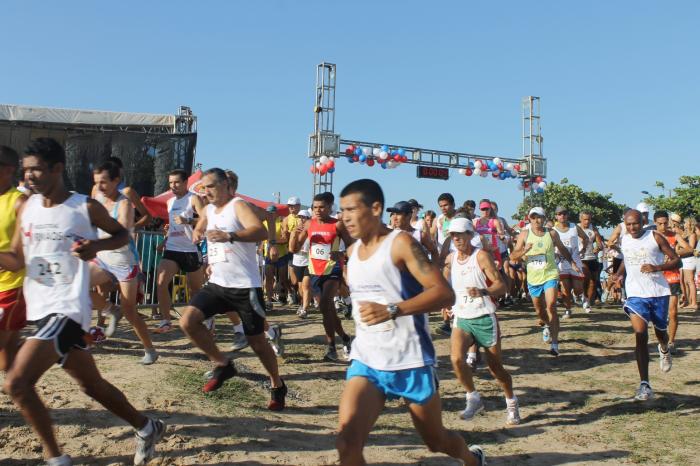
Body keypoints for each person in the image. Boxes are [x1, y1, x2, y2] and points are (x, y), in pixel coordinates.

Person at [0, 138, 164, 466]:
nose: (29, 176)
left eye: (37, 169)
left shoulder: (83, 207)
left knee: (17, 384)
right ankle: (147, 427)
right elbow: (17, 260)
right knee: (91, 386)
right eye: (26, 170)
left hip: (67, 310)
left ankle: (56, 458)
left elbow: (122, 234)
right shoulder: (28, 208)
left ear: (57, 169)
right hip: (40, 308)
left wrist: (96, 247)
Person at [335, 179, 485, 466]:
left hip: (409, 360)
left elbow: (444, 293)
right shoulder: (352, 252)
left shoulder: (400, 243)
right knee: (346, 443)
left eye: (353, 209)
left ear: (376, 208)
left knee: (436, 441)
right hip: (367, 360)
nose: (346, 217)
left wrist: (394, 309)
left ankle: (472, 458)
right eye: (343, 211)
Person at [182, 168, 287, 409]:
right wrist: (199, 229)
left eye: (210, 186)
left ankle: (277, 384)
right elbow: (204, 222)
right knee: (188, 322)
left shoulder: (239, 205)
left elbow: (259, 231)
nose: (205, 191)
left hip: (245, 286)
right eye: (203, 187)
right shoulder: (208, 208)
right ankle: (222, 364)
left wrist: (230, 236)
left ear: (225, 186)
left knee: (258, 343)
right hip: (219, 283)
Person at [443, 217, 520, 426]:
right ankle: (473, 398)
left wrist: (483, 291)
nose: (457, 238)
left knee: (496, 368)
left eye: (460, 234)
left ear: (470, 235)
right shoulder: (450, 259)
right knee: (456, 359)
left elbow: (501, 286)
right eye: (453, 235)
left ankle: (511, 401)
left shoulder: (481, 257)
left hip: (484, 316)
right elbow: (445, 284)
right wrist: (445, 302)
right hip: (462, 317)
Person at [90, 161, 158, 364]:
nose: (99, 186)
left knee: (131, 311)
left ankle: (150, 349)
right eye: (96, 182)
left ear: (116, 181)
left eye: (103, 182)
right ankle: (111, 310)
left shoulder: (125, 203)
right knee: (76, 284)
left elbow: (120, 232)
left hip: (123, 261)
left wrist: (93, 239)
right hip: (102, 258)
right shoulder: (96, 193)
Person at [612, 209, 680, 401]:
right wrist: (618, 274)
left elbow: (677, 260)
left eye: (635, 223)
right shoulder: (624, 239)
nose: (632, 227)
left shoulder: (655, 237)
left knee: (660, 332)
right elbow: (627, 258)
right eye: (628, 224)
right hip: (635, 294)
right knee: (640, 334)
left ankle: (664, 348)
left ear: (642, 221)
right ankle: (645, 384)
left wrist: (656, 267)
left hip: (658, 292)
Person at [290, 192, 353, 362]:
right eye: (315, 207)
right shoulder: (309, 223)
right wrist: (294, 235)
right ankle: (345, 339)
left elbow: (352, 247)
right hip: (314, 271)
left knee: (325, 303)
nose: (317, 210)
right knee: (327, 310)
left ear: (330, 207)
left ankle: (331, 347)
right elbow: (294, 249)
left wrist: (340, 253)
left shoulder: (338, 225)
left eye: (321, 207)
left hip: (332, 270)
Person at [510, 207, 580, 356]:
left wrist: (572, 263)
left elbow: (562, 249)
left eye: (539, 217)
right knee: (539, 311)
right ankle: (546, 325)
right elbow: (513, 257)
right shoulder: (524, 234)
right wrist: (524, 251)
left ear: (544, 218)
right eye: (533, 217)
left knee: (551, 306)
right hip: (534, 278)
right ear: (529, 219)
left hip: (550, 274)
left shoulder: (552, 233)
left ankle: (555, 344)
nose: (537, 220)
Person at [154, 169, 205, 333]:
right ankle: (165, 321)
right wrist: (165, 240)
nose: (173, 186)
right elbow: (173, 226)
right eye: (170, 182)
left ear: (185, 183)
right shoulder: (170, 202)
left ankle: (204, 318)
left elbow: (207, 218)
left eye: (176, 182)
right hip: (172, 249)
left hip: (190, 249)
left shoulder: (193, 198)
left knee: (195, 289)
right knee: (161, 282)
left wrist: (188, 220)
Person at [0, 146, 27, 373]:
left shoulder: (19, 202)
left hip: (11, 288)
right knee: (6, 359)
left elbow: (20, 258)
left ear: (8, 170)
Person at [654, 211, 691, 353]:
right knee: (659, 313)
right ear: (655, 223)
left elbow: (688, 248)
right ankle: (662, 339)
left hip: (672, 276)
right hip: (656, 277)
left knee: (673, 312)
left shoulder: (674, 235)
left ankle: (671, 342)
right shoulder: (650, 236)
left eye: (665, 223)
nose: (663, 226)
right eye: (660, 224)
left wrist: (674, 253)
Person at [552, 206, 588, 318]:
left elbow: (585, 238)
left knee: (578, 288)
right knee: (564, 288)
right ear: (556, 216)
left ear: (567, 215)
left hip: (575, 262)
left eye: (564, 213)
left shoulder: (574, 227)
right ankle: (568, 310)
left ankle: (577, 295)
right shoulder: (553, 230)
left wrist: (583, 249)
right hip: (561, 263)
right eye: (559, 214)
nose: (562, 216)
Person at [578, 211, 604, 311]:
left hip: (592, 258)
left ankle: (587, 301)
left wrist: (598, 247)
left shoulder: (593, 228)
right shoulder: (575, 228)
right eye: (585, 219)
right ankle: (583, 296)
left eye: (589, 219)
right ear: (580, 219)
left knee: (593, 282)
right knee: (586, 278)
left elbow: (599, 242)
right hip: (581, 258)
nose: (587, 221)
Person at [290, 209, 312, 318]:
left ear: (308, 219)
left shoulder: (311, 231)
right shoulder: (295, 231)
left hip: (309, 261)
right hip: (297, 261)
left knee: (306, 285)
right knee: (298, 285)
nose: (301, 219)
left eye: (304, 217)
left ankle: (305, 309)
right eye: (300, 217)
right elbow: (291, 249)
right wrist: (294, 235)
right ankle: (302, 303)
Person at [284, 196, 303, 305]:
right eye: (289, 206)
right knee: (294, 280)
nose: (291, 208)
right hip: (291, 252)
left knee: (303, 279)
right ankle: (294, 293)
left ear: (299, 206)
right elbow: (285, 235)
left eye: (293, 206)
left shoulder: (304, 217)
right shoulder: (286, 219)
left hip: (303, 251)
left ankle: (303, 300)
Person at [678, 216, 697, 310]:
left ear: (690, 223)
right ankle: (688, 301)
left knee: (690, 281)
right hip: (684, 260)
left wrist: (678, 251)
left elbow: (691, 248)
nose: (684, 224)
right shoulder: (685, 234)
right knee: (686, 282)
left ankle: (693, 303)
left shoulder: (692, 235)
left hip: (689, 259)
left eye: (685, 222)